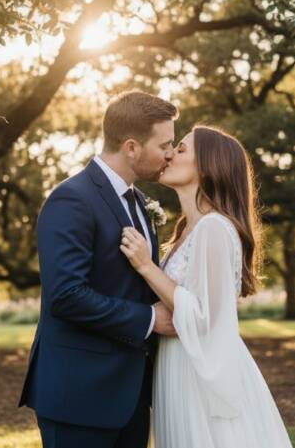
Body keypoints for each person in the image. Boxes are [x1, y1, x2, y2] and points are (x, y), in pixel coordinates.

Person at [18, 90, 178, 448]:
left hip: (132, 395)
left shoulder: (140, 202)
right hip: (79, 396)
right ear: (132, 147)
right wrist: (149, 319)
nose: (171, 153)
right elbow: (66, 296)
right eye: (165, 144)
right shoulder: (72, 199)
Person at [120, 125, 294, 447]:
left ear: (209, 166)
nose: (170, 153)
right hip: (177, 364)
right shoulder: (186, 230)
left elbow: (203, 317)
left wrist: (145, 266)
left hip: (200, 374)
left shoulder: (214, 228)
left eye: (182, 149)